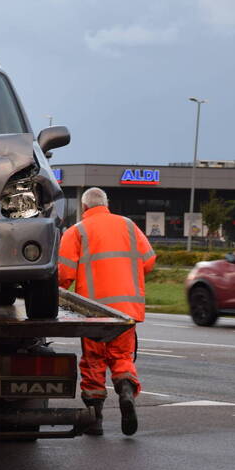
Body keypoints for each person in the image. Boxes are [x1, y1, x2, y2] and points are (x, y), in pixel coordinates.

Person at [58, 187, 156, 436]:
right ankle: (125, 390)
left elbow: (63, 275)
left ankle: (96, 419)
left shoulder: (77, 231)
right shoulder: (129, 226)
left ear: (84, 207)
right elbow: (148, 261)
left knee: (94, 362)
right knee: (121, 358)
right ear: (106, 204)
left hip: (93, 311)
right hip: (125, 310)